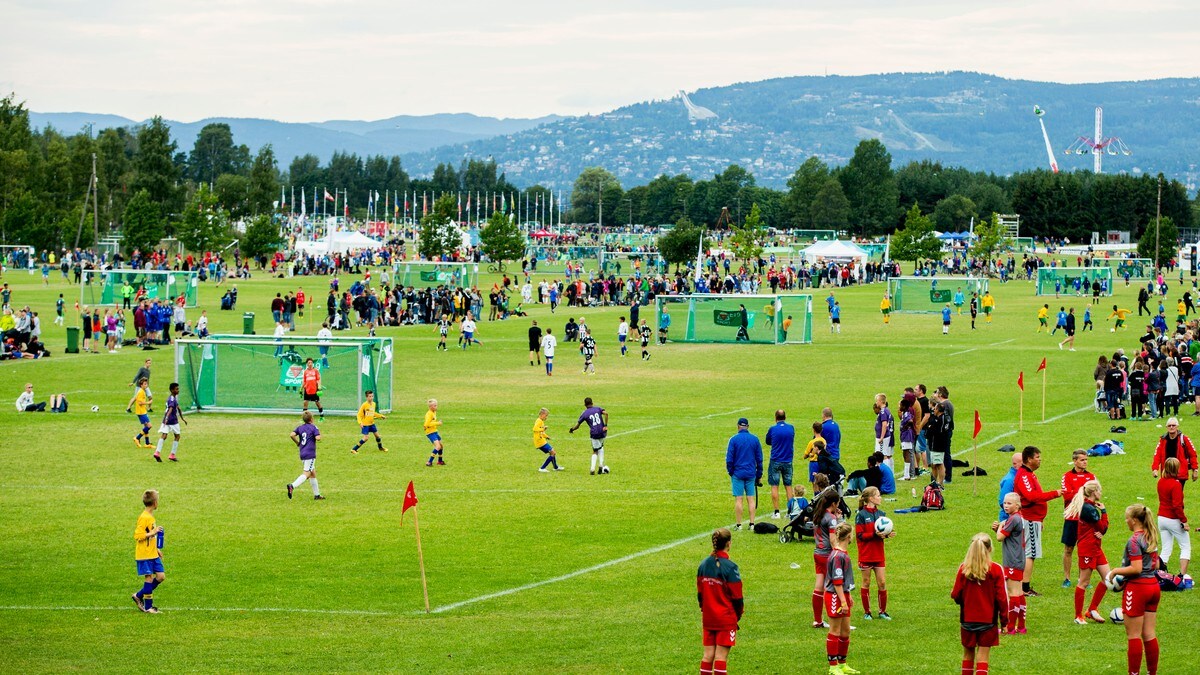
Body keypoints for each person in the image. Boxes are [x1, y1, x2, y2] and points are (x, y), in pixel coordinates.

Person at [1108, 504, 1161, 675]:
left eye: (1127, 518)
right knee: (1149, 634)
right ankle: (1152, 672)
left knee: (1134, 636)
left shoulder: (1134, 540)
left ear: (1135, 520)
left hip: (1138, 589)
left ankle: (1134, 673)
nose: (1126, 521)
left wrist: (1116, 571)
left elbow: (1137, 568)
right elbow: (1157, 564)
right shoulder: (1151, 536)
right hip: (1153, 587)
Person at [951, 533, 1008, 675]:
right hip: (988, 621)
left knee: (967, 655)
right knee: (983, 656)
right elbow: (1002, 598)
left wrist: (965, 601)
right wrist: (1005, 621)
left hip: (967, 619)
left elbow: (955, 594)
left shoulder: (964, 569)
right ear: (989, 549)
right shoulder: (995, 569)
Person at [1015, 446, 1064, 597]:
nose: (1039, 460)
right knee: (1031, 553)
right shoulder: (1024, 475)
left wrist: (1041, 518)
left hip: (1034, 519)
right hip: (1030, 519)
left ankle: (1022, 585)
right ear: (1029, 459)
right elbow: (1031, 497)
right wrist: (1055, 493)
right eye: (1037, 457)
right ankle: (1024, 588)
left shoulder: (1029, 474)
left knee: (1029, 553)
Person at [1063, 480, 1111, 624]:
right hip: (1088, 549)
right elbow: (1103, 527)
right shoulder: (1089, 510)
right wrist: (1103, 511)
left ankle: (1092, 609)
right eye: (1099, 490)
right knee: (1083, 582)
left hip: (1096, 548)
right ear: (1094, 492)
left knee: (1108, 578)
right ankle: (1078, 616)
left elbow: (1100, 530)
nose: (1101, 493)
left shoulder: (1088, 506)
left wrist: (1100, 531)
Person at [697, 528, 743, 675]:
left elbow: (700, 594)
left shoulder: (703, 565)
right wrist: (737, 615)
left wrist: (704, 609)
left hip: (709, 617)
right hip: (725, 618)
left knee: (708, 655)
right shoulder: (731, 567)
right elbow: (737, 597)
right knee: (721, 657)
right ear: (728, 544)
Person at [854, 487, 894, 621]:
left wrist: (887, 535)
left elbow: (881, 534)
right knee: (866, 582)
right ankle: (867, 612)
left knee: (882, 582)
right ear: (871, 498)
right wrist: (874, 534)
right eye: (878, 495)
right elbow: (859, 535)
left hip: (878, 554)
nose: (880, 497)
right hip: (866, 554)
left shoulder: (882, 514)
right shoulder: (861, 515)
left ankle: (882, 611)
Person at [1059, 449, 1095, 587]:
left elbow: (1094, 495)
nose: (1085, 462)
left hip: (1086, 518)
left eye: (1086, 459)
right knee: (1068, 549)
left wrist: (1077, 493)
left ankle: (1083, 579)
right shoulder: (1066, 476)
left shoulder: (1091, 477)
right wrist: (1083, 492)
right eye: (1082, 460)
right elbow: (1067, 496)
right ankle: (1067, 578)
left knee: (1085, 549)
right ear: (1074, 461)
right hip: (1072, 518)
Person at [824, 521, 856, 674]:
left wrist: (848, 596)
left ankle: (843, 664)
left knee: (845, 632)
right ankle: (833, 666)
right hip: (835, 597)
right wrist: (843, 601)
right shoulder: (837, 556)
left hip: (843, 594)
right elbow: (837, 582)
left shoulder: (843, 554)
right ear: (848, 536)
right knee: (835, 631)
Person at [811, 474, 842, 629]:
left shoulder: (819, 513)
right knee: (833, 587)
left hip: (817, 552)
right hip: (827, 554)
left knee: (819, 586)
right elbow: (832, 539)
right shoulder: (831, 519)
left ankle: (817, 620)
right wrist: (838, 551)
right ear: (834, 503)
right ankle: (834, 618)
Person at [993, 493, 1027, 634]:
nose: (1006, 506)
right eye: (1005, 503)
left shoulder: (1013, 519)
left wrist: (1000, 526)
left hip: (1012, 560)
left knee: (1012, 593)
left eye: (1009, 503)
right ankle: (1021, 626)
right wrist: (1000, 528)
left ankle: (1010, 627)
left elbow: (1000, 538)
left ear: (1017, 505)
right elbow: (1009, 535)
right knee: (1019, 593)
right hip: (1019, 559)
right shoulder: (1018, 518)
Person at [725, 417, 763, 532]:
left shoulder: (734, 439)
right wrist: (759, 474)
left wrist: (731, 471)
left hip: (738, 473)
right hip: (751, 473)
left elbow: (729, 459)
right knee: (751, 499)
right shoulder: (755, 439)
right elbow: (759, 458)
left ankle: (739, 524)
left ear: (738, 426)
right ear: (748, 427)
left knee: (739, 499)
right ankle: (752, 524)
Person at [132, 489, 165, 613]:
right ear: (155, 503)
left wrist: (156, 549)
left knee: (161, 577)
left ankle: (138, 595)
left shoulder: (150, 517)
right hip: (144, 554)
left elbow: (150, 537)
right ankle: (148, 607)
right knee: (149, 578)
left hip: (152, 553)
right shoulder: (144, 517)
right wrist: (153, 532)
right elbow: (138, 535)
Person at [1157, 457, 1190, 576]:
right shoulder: (1176, 485)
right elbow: (1177, 506)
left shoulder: (1161, 481)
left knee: (1166, 548)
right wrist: (1184, 521)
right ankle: (1182, 576)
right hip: (1173, 519)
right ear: (1176, 469)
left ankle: (1159, 573)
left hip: (1161, 518)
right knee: (1185, 546)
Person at [765, 409, 796, 519]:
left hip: (776, 460)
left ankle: (777, 511)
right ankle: (790, 511)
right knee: (788, 486)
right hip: (788, 460)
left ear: (775, 418)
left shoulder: (773, 429)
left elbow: (768, 441)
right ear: (785, 417)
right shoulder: (791, 428)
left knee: (774, 486)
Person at [287, 411, 325, 500]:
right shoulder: (314, 427)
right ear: (312, 419)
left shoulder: (300, 427)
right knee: (307, 473)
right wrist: (318, 435)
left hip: (302, 452)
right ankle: (292, 486)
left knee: (312, 473)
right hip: (310, 454)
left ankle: (317, 495)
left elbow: (292, 435)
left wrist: (298, 443)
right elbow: (318, 438)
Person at [1151, 417, 1199, 487]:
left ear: (1177, 426)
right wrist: (1155, 469)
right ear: (1166, 427)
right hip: (1166, 474)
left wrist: (1195, 470)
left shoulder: (1184, 439)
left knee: (1177, 496)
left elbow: (1193, 455)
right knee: (1166, 496)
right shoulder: (1163, 440)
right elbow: (1157, 455)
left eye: (1173, 425)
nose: (1171, 427)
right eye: (1169, 425)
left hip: (1180, 474)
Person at [569, 397, 609, 475]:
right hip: (602, 431)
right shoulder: (598, 409)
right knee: (601, 447)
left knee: (595, 450)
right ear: (592, 403)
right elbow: (606, 414)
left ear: (585, 404)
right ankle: (601, 465)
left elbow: (578, 425)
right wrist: (605, 425)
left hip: (594, 433)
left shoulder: (585, 413)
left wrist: (572, 429)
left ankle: (592, 469)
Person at [153, 382, 186, 462]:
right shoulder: (172, 399)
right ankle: (172, 455)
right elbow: (171, 409)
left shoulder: (172, 398)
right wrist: (168, 417)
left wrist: (182, 418)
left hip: (166, 421)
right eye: (176, 389)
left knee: (164, 435)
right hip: (173, 420)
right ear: (172, 390)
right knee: (177, 436)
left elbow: (178, 409)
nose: (178, 390)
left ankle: (157, 452)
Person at [351, 390, 388, 455]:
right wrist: (360, 423)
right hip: (365, 424)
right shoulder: (364, 405)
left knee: (377, 436)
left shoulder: (373, 404)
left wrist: (381, 416)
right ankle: (354, 449)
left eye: (372, 396)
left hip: (372, 424)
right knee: (366, 438)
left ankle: (380, 448)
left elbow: (373, 413)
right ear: (367, 397)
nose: (371, 398)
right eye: (370, 396)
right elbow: (359, 415)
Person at [533, 407, 563, 472]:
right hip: (540, 442)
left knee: (552, 452)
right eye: (546, 415)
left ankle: (555, 467)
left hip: (542, 441)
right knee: (553, 452)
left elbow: (541, 433)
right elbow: (535, 429)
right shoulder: (538, 421)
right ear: (542, 414)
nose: (546, 417)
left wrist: (547, 437)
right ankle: (542, 468)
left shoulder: (541, 421)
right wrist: (543, 429)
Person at [126, 378, 154, 449]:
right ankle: (137, 438)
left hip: (143, 411)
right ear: (141, 385)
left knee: (146, 427)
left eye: (146, 384)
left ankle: (147, 443)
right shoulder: (141, 392)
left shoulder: (142, 391)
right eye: (145, 384)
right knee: (149, 426)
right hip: (141, 412)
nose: (146, 385)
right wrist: (149, 403)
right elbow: (140, 403)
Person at [873, 394, 894, 470]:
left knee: (882, 456)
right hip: (884, 436)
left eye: (877, 401)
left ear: (881, 401)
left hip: (883, 437)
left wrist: (881, 437)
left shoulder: (883, 411)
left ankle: (886, 473)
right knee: (883, 455)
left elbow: (884, 425)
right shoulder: (886, 410)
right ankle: (889, 472)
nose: (876, 403)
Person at [422, 398, 443, 465]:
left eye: (436, 405)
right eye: (434, 406)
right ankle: (429, 462)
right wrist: (438, 423)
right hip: (430, 433)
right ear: (430, 407)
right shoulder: (429, 414)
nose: (436, 407)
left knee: (441, 446)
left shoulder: (434, 412)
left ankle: (440, 461)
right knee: (438, 446)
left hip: (434, 431)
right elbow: (426, 424)